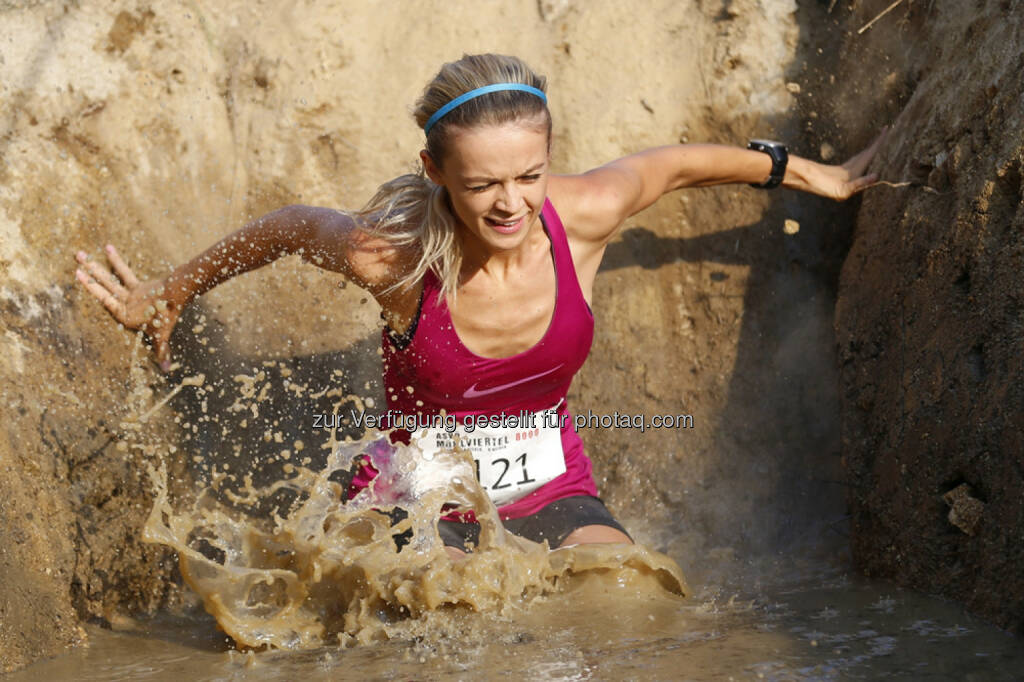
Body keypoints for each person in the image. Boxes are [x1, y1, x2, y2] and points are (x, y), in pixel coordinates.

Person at [75, 53, 881, 554]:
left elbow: (673, 167)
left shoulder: (586, 212)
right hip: (415, 503)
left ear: (548, 161)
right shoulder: (388, 260)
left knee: (629, 593)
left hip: (551, 489)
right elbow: (288, 228)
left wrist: (822, 177)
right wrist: (167, 292)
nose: (510, 204)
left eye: (528, 177)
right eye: (482, 184)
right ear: (435, 171)